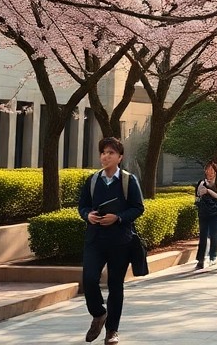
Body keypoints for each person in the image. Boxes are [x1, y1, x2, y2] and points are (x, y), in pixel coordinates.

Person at [78, 137, 144, 345]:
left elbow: (138, 207)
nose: (105, 156)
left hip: (120, 241)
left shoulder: (128, 180)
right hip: (95, 239)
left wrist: (118, 218)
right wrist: (87, 215)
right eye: (103, 152)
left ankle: (112, 331)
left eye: (111, 153)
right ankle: (98, 313)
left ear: (120, 157)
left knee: (116, 286)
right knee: (89, 279)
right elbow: (82, 206)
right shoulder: (93, 180)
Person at [193, 160, 217, 270]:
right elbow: (197, 196)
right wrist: (201, 191)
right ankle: (200, 259)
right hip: (204, 212)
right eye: (208, 170)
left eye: (212, 170)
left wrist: (209, 191)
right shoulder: (201, 182)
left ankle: (213, 256)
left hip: (216, 212)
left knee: (214, 233)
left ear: (216, 172)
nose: (209, 172)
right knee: (203, 235)